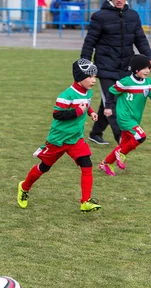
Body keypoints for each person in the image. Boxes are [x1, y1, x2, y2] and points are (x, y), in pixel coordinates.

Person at [16, 59, 101, 213]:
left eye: (95, 77)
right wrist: (78, 112)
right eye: (90, 77)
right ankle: (24, 187)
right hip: (59, 139)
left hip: (75, 138)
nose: (93, 80)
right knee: (44, 167)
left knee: (87, 164)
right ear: (79, 77)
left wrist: (91, 112)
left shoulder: (88, 92)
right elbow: (57, 114)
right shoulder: (66, 95)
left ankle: (85, 201)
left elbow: (85, 104)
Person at [80, 0, 151, 145]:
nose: (120, 0)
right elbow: (89, 43)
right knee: (114, 101)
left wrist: (149, 59)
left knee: (110, 100)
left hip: (126, 67)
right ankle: (122, 138)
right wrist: (85, 66)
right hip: (105, 67)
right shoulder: (99, 16)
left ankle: (96, 133)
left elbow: (140, 39)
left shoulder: (133, 15)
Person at [99, 55, 151, 176]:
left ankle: (106, 163)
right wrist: (108, 107)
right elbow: (111, 92)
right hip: (124, 117)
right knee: (140, 136)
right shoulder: (125, 82)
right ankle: (121, 154)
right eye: (144, 68)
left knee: (125, 143)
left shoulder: (150, 83)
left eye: (149, 67)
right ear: (136, 70)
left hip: (135, 118)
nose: (148, 70)